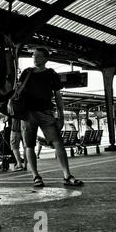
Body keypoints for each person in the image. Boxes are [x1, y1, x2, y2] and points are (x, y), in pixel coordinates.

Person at [20, 48, 83, 187]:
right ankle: (35, 176)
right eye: (33, 55)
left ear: (45, 59)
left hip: (46, 112)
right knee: (29, 145)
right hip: (28, 113)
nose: (34, 58)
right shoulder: (26, 73)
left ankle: (67, 175)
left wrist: (61, 115)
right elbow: (17, 90)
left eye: (37, 56)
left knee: (58, 143)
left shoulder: (51, 74)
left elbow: (58, 95)